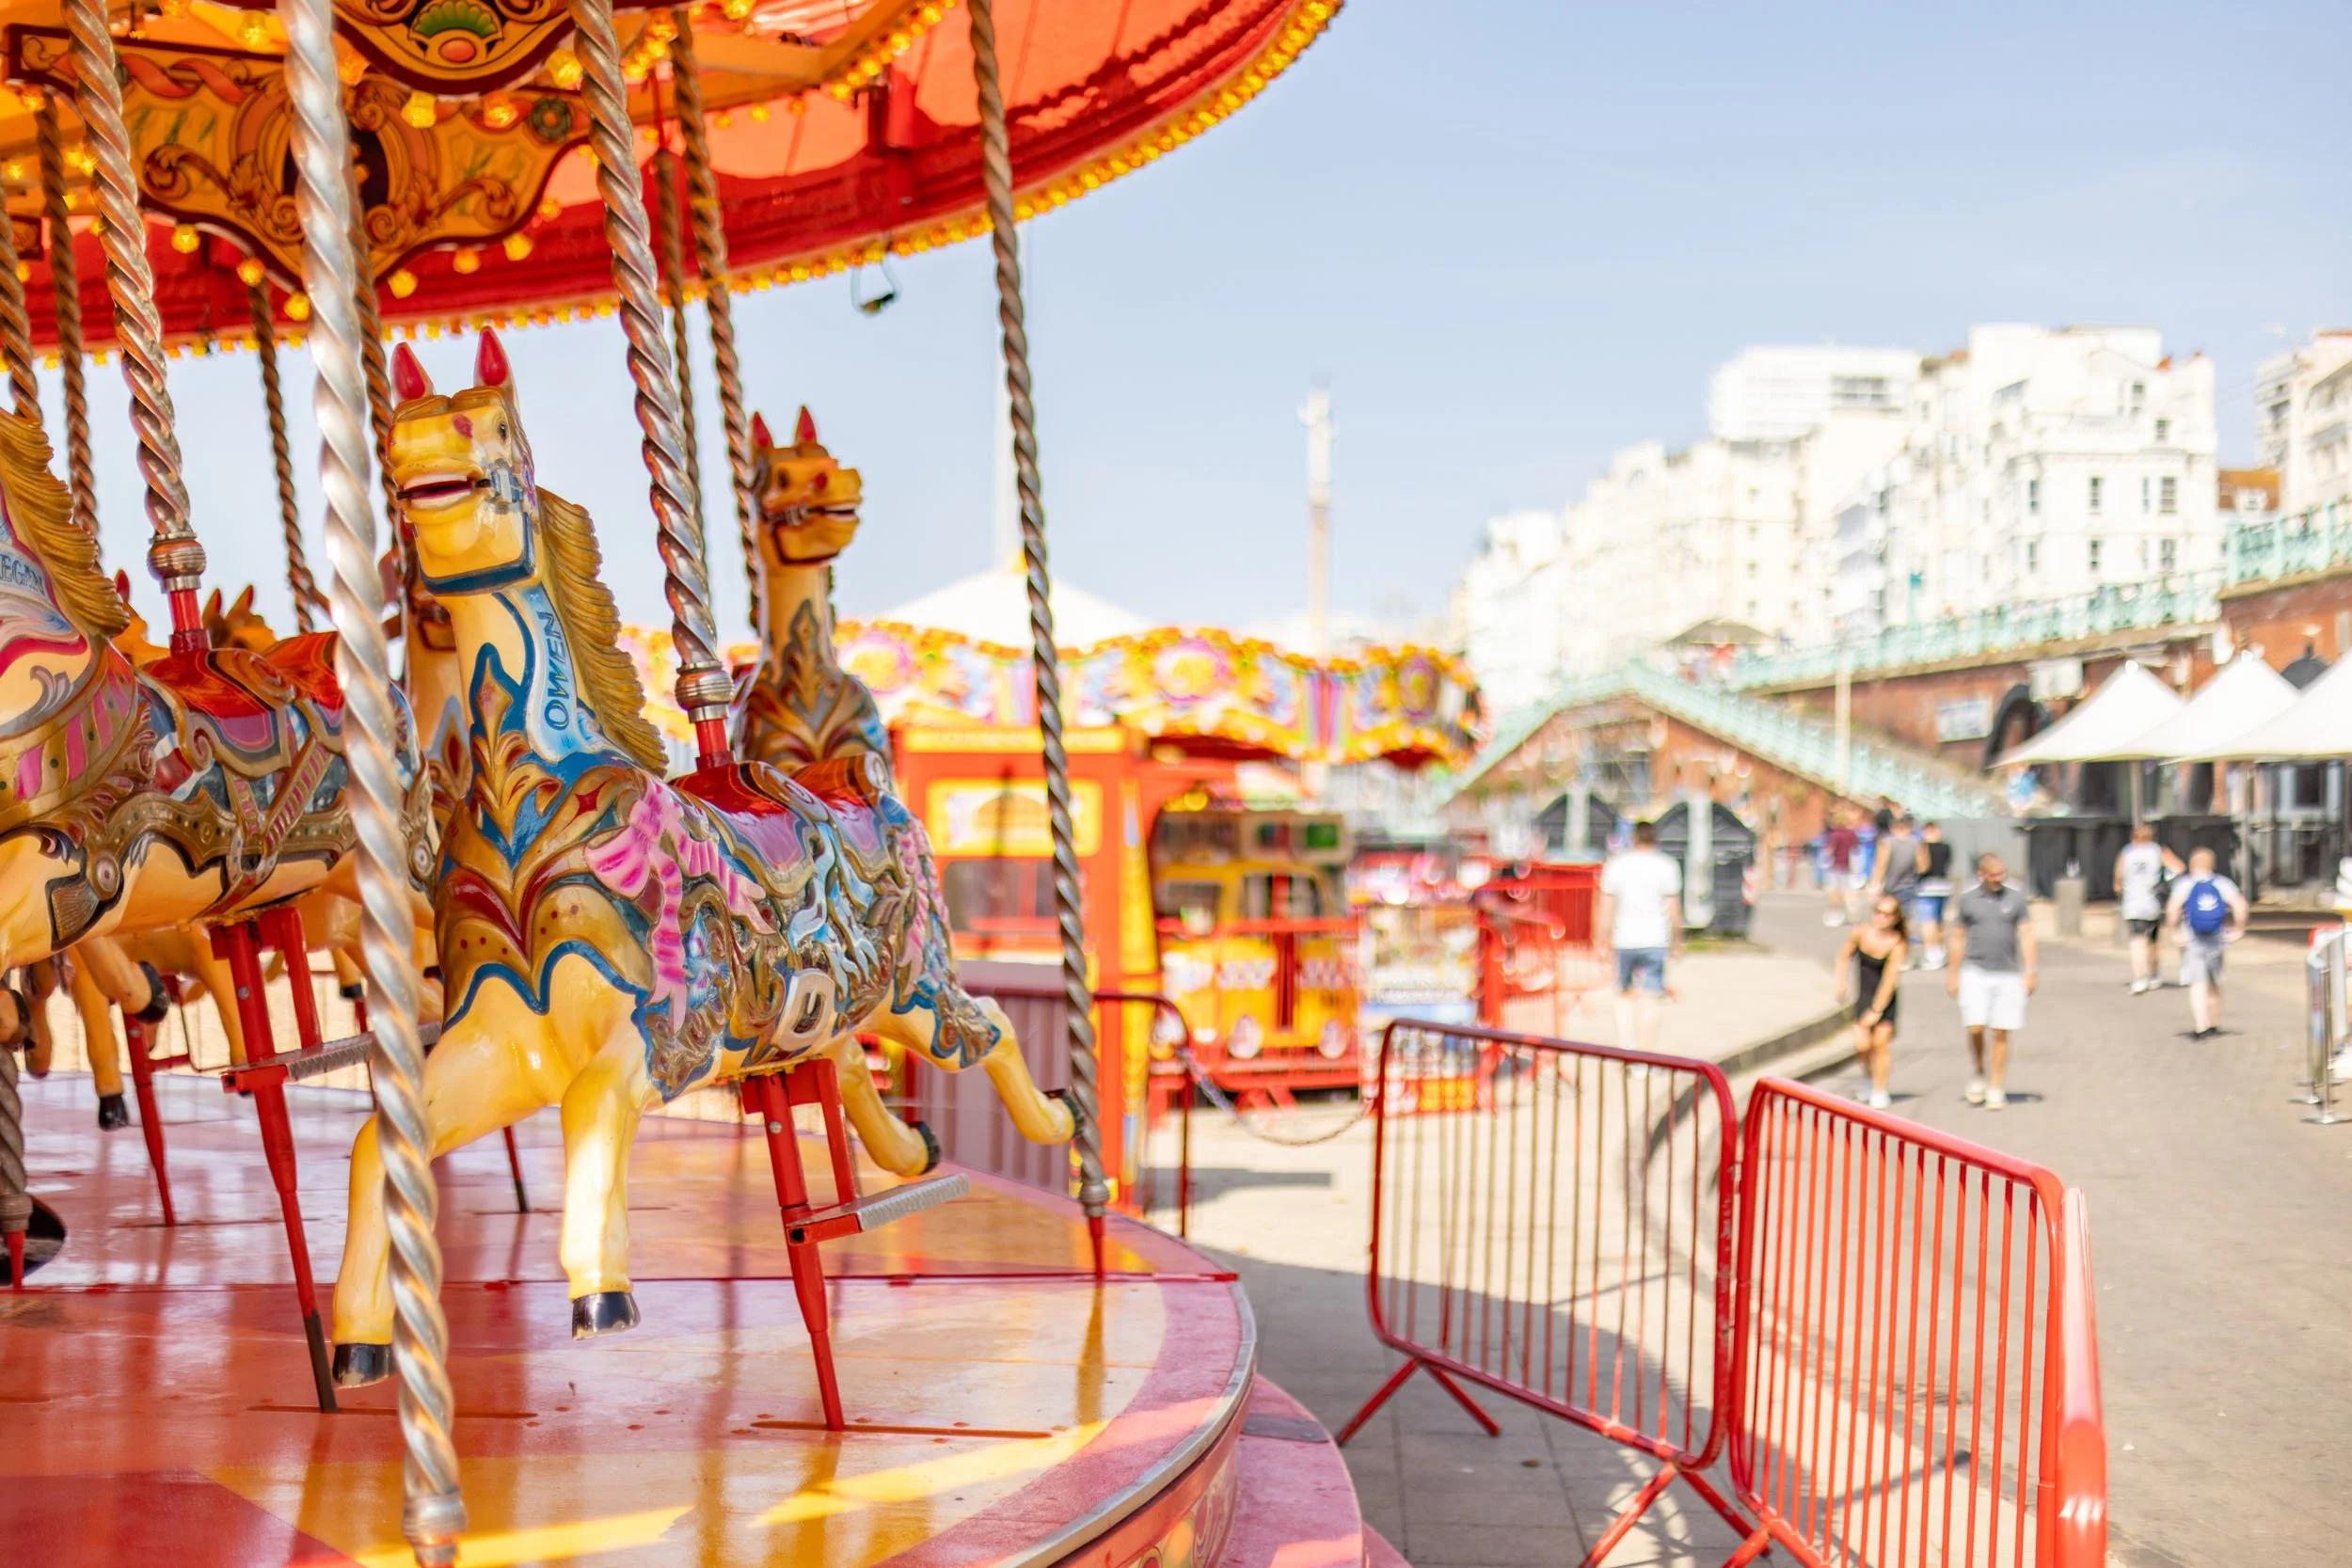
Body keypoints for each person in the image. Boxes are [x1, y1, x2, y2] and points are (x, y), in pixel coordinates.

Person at [1947, 851, 2035, 1110]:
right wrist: (1952, 974)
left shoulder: (2015, 898)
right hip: (1975, 969)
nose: (1999, 879)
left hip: (2008, 972)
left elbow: (2027, 934)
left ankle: (1996, 1085)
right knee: (1975, 1026)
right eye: (1994, 875)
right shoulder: (1968, 900)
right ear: (1981, 874)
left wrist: (2031, 970)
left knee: (2000, 1030)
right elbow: (1958, 937)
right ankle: (1978, 1071)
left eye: (2002, 874)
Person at [1598, 818, 1682, 1052]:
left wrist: (1600, 940)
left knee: (1623, 995)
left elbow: (1606, 907)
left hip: (1624, 938)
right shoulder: (1667, 865)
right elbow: (1674, 910)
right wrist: (1678, 941)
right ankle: (1645, 1055)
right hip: (1655, 938)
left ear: (1633, 838)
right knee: (1651, 997)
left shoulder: (1616, 864)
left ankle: (1626, 1046)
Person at [2164, 847, 2248, 1038]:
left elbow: (2173, 909)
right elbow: (2240, 906)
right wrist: (2238, 929)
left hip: (2192, 938)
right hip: (2217, 938)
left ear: (2192, 864)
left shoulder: (2185, 883)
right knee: (2215, 981)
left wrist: (2174, 932)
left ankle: (2201, 1026)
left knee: (2197, 983)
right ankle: (2214, 1022)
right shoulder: (2222, 883)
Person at [1837, 894, 1908, 1109]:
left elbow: (1890, 979)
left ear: (1895, 918)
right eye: (1879, 912)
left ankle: (1880, 1088)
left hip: (1884, 999)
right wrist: (1840, 982)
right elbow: (1844, 956)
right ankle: (1868, 1075)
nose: (1882, 918)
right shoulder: (1860, 933)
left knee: (1880, 1043)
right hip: (1864, 995)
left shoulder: (1897, 943)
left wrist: (1877, 1010)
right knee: (1862, 1045)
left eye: (1888, 914)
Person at [2114, 823, 2184, 994]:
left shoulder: (2126, 852)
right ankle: (2154, 974)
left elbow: (2118, 880)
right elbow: (2179, 867)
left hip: (2132, 902)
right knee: (2153, 940)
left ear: (2133, 837)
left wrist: (2121, 893)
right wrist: (2165, 880)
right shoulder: (2158, 851)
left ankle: (2139, 977)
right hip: (2153, 901)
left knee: (2137, 939)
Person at [1871, 813, 1924, 963]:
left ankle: (1887, 953)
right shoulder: (1916, 843)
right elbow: (1922, 867)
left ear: (1893, 826)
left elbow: (1881, 865)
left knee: (1887, 923)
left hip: (1890, 888)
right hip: (1908, 886)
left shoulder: (1887, 842)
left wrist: (1875, 885)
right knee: (1904, 923)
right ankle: (1904, 956)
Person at [1914, 822, 1954, 968]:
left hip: (1926, 887)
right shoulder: (1946, 847)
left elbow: (1921, 868)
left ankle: (1932, 952)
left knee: (1927, 921)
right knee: (1939, 921)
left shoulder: (1922, 847)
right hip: (1943, 886)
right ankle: (1941, 950)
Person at [1821, 810, 1860, 927]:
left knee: (1834, 890)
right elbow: (1856, 848)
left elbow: (1830, 850)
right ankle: (1853, 911)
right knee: (1848, 889)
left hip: (1836, 865)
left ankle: (1836, 913)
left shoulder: (1835, 834)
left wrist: (1825, 855)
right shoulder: (1852, 834)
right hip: (1848, 865)